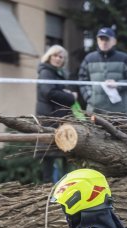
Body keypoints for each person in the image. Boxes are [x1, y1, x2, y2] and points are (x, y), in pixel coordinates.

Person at [36, 45, 77, 182]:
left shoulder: (58, 73)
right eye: (56, 56)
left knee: (63, 155)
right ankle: (47, 191)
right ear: (49, 56)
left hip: (58, 120)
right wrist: (71, 97)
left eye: (61, 57)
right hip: (50, 120)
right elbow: (49, 92)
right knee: (49, 158)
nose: (58, 59)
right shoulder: (46, 72)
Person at [78, 27, 127, 114]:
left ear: (114, 41)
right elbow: (82, 80)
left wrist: (118, 84)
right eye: (101, 39)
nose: (104, 42)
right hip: (94, 111)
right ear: (97, 41)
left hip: (118, 112)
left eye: (107, 39)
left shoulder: (124, 58)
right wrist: (89, 97)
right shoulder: (89, 59)